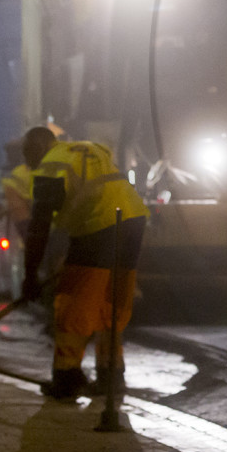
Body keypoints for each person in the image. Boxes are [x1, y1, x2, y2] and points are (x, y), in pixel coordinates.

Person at [19, 126, 149, 400]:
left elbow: (38, 229)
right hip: (133, 221)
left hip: (98, 225)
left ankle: (67, 378)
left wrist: (30, 276)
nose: (26, 160)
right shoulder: (84, 149)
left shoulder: (50, 167)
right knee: (111, 302)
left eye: (27, 152)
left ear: (39, 147)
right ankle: (111, 375)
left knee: (73, 302)